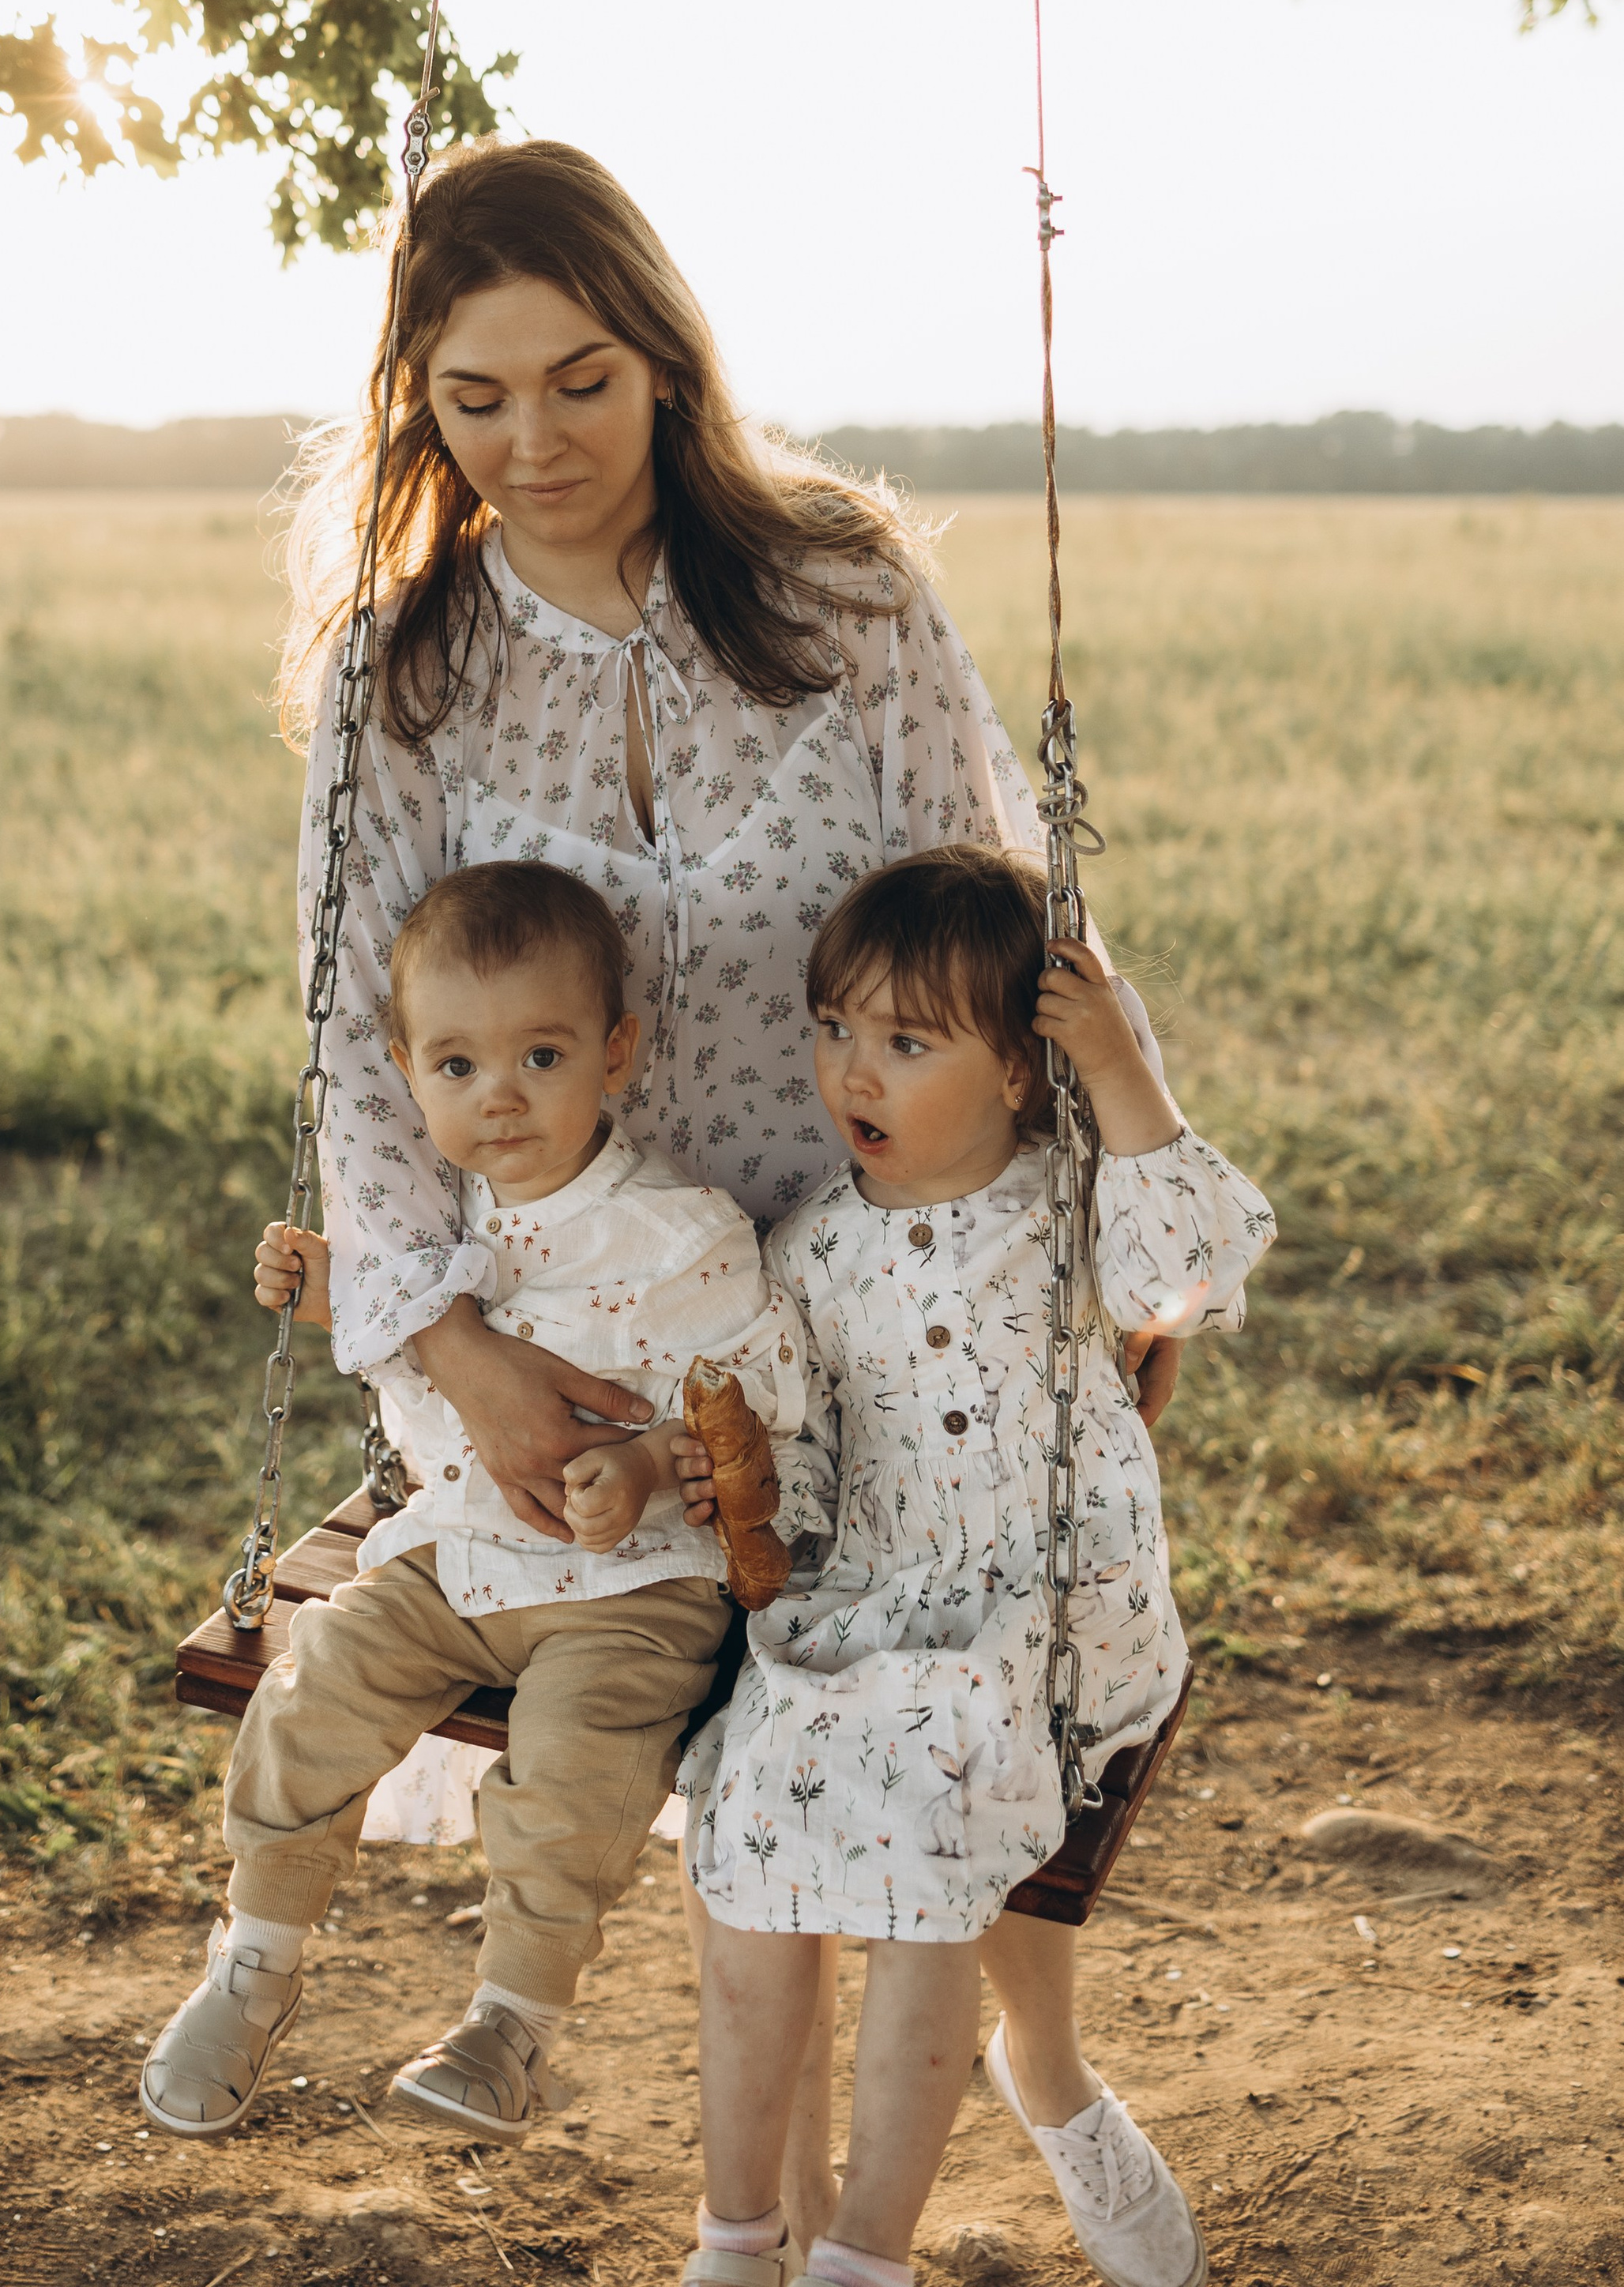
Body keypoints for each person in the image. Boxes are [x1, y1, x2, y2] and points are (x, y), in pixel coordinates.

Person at [275, 134, 1183, 2224]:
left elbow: (995, 919)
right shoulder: (400, 674)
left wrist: (1095, 1221)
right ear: (417, 398)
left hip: (874, 1277)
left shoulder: (840, 587)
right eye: (474, 395)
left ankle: (1033, 2064)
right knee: (770, 1736)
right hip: (576, 1316)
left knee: (947, 1694)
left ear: (665, 361)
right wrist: (457, 1346)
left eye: (580, 379)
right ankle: (755, 2240)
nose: (533, 440)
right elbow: (352, 1042)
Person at [676, 847, 1276, 2287]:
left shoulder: (1078, 1207)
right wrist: (748, 1493)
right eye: (834, 1030)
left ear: (1019, 1069)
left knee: (936, 1814)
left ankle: (871, 2248)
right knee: (748, 1813)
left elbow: (1192, 1275)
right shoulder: (811, 1249)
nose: (852, 1075)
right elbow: (808, 1460)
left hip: (1050, 1614)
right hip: (877, 1599)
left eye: (904, 1040)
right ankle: (737, 2232)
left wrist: (1126, 1070)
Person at [139, 863, 799, 2145]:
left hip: (635, 1589)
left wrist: (661, 1462)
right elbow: (403, 1339)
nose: (496, 1095)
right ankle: (255, 1960)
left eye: (539, 1054)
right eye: (455, 1067)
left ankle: (510, 2025)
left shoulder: (683, 1231)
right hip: (458, 1557)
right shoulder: (437, 1225)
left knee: (576, 1766)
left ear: (616, 1052)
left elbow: (763, 1394)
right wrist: (329, 1286)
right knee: (312, 1682)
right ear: (405, 1068)